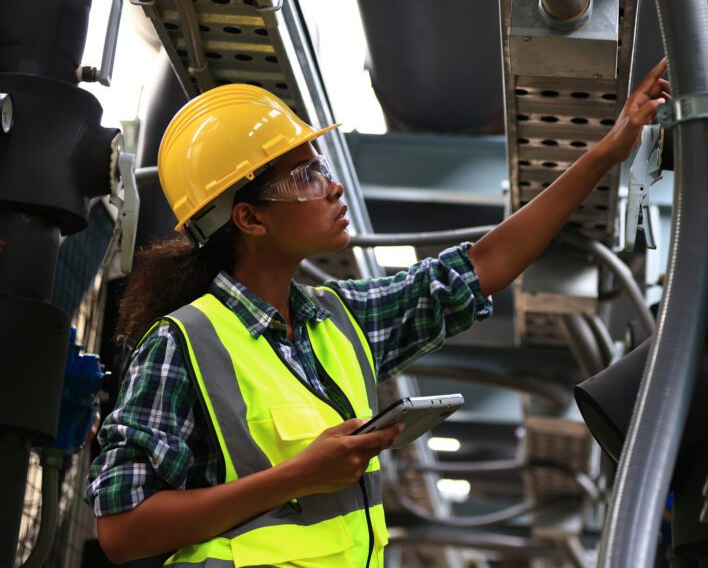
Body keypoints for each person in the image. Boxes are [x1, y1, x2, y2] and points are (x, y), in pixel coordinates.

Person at [86, 60, 670, 566]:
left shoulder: (339, 323)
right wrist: (298, 476)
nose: (333, 187)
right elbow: (122, 531)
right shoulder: (182, 343)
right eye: (306, 176)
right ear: (249, 218)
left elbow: (481, 265)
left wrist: (607, 151)